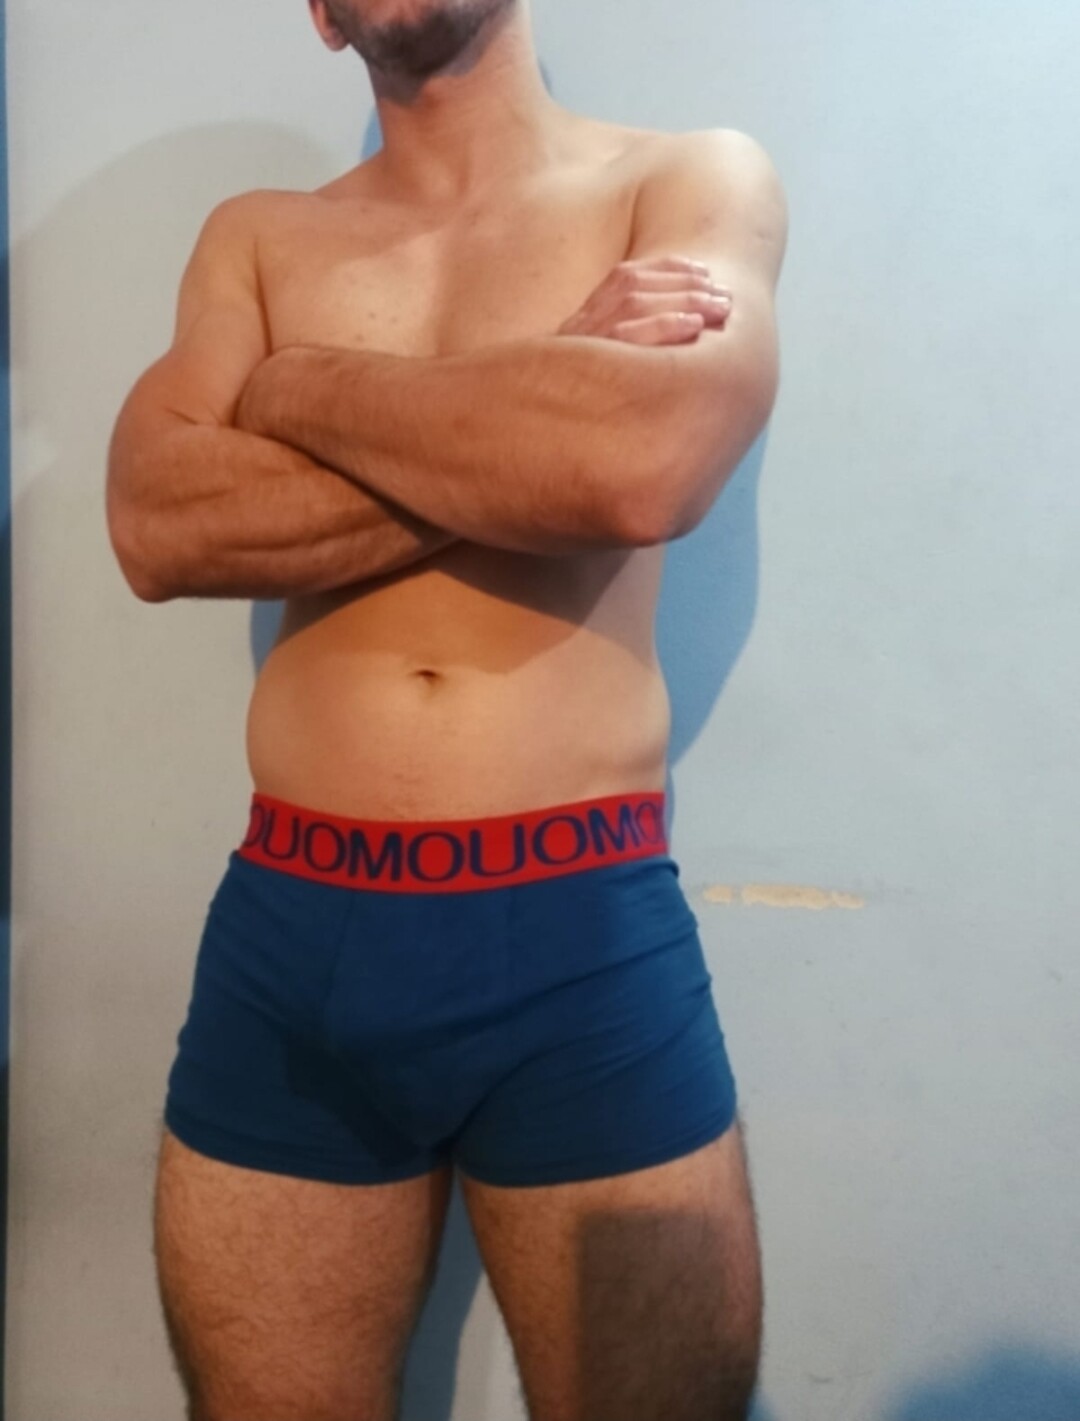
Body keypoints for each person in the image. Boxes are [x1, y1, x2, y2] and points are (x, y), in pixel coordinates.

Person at [106, 0, 788, 1416]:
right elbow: (161, 524)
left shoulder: (683, 180)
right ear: (319, 17)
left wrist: (297, 385)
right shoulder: (259, 238)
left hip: (576, 936)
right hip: (294, 935)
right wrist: (536, 385)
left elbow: (641, 464)